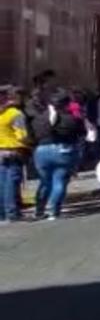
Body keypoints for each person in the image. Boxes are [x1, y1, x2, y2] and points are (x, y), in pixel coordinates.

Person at [31, 90, 85, 220]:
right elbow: (81, 133)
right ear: (66, 104)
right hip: (63, 150)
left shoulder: (39, 118)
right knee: (59, 180)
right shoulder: (71, 118)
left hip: (41, 151)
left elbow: (32, 135)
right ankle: (54, 211)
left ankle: (39, 210)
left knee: (45, 182)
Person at [0, 86, 30, 223]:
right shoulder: (14, 114)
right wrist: (29, 143)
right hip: (13, 150)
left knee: (2, 183)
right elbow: (21, 135)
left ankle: (2, 213)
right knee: (12, 182)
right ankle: (12, 212)